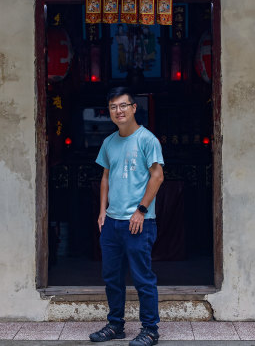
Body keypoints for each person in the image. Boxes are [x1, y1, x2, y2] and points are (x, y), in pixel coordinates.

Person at [89, 87, 164, 346]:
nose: (118, 111)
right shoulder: (109, 142)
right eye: (113, 107)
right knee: (112, 277)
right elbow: (105, 178)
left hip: (138, 222)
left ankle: (150, 330)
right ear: (109, 112)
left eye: (123, 106)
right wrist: (102, 212)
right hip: (112, 222)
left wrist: (141, 210)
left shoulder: (147, 139)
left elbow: (157, 176)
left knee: (143, 278)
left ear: (134, 108)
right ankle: (115, 325)